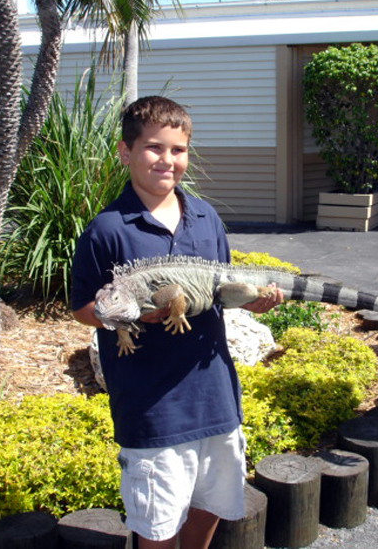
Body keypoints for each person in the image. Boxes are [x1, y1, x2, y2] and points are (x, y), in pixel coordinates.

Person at [71, 96, 283, 549]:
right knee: (157, 524)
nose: (167, 160)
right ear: (126, 152)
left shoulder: (206, 218)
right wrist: (129, 319)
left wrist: (254, 303)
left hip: (215, 397)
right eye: (154, 148)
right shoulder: (106, 230)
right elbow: (84, 307)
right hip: (152, 408)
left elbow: (220, 296)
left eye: (178, 150)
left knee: (213, 502)